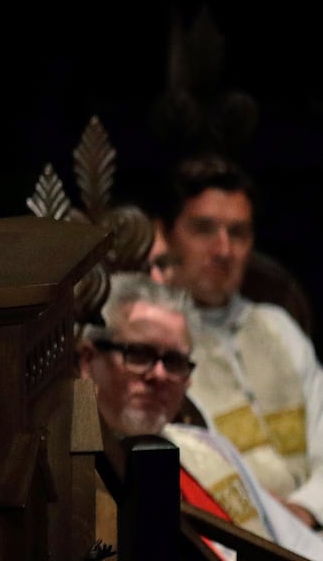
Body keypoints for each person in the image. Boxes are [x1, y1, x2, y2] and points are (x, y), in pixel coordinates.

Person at [79, 271, 323, 559]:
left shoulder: (210, 448)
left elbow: (301, 547)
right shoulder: (74, 471)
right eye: (140, 354)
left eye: (174, 361)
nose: (159, 375)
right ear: (88, 360)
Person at [158, 153, 323, 531]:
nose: (223, 250)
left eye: (238, 233)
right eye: (204, 229)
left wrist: (305, 510)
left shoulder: (277, 326)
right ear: (166, 235)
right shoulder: (155, 349)